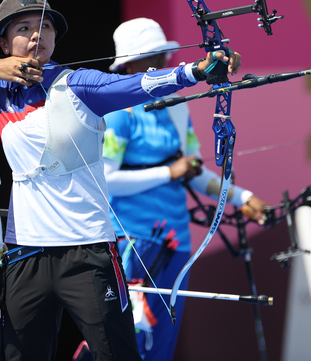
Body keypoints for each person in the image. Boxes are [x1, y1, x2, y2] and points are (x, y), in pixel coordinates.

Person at [0, 0, 241, 361]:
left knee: (115, 354)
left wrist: (194, 72)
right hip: (26, 252)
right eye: (24, 28)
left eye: (45, 26)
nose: (37, 34)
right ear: (5, 43)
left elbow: (138, 85)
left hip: (87, 250)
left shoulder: (79, 85)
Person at [102, 18, 267, 360]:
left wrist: (242, 197)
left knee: (161, 343)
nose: (161, 65)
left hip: (176, 242)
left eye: (163, 57)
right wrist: (168, 171)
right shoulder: (119, 111)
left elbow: (192, 170)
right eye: (152, 58)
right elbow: (106, 180)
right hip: (132, 241)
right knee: (128, 340)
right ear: (128, 65)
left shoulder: (176, 105)